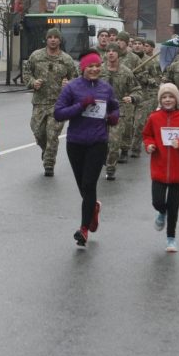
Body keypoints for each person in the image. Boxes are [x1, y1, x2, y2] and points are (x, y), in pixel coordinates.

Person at [53, 50, 119, 247]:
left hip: (98, 142)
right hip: (76, 142)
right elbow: (58, 113)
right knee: (83, 186)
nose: (95, 69)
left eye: (98, 66)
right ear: (83, 69)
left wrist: (113, 116)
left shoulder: (105, 88)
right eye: (90, 66)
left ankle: (83, 229)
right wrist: (81, 105)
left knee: (89, 185)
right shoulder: (72, 88)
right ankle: (93, 208)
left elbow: (114, 107)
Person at [143, 83, 179, 252]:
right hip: (158, 169)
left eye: (171, 97)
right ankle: (161, 212)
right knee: (158, 201)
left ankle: (171, 239)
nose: (167, 100)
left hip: (177, 171)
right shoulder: (154, 117)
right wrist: (150, 145)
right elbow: (147, 135)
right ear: (160, 100)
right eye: (164, 97)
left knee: (174, 207)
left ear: (176, 100)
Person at [22, 27, 78, 176]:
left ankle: (49, 164)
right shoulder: (36, 56)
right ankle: (46, 151)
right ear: (46, 39)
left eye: (56, 37)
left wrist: (69, 84)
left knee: (52, 135)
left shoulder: (66, 59)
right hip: (40, 102)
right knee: (38, 132)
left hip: (59, 104)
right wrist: (33, 82)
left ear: (60, 40)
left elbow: (76, 79)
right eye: (50, 37)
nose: (53, 39)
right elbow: (26, 74)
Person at [100, 42, 141, 180]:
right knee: (100, 142)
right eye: (108, 51)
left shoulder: (126, 72)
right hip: (98, 112)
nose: (111, 53)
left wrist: (132, 97)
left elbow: (137, 90)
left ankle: (111, 168)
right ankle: (103, 158)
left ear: (118, 54)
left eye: (114, 51)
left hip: (118, 111)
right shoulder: (98, 71)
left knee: (114, 141)